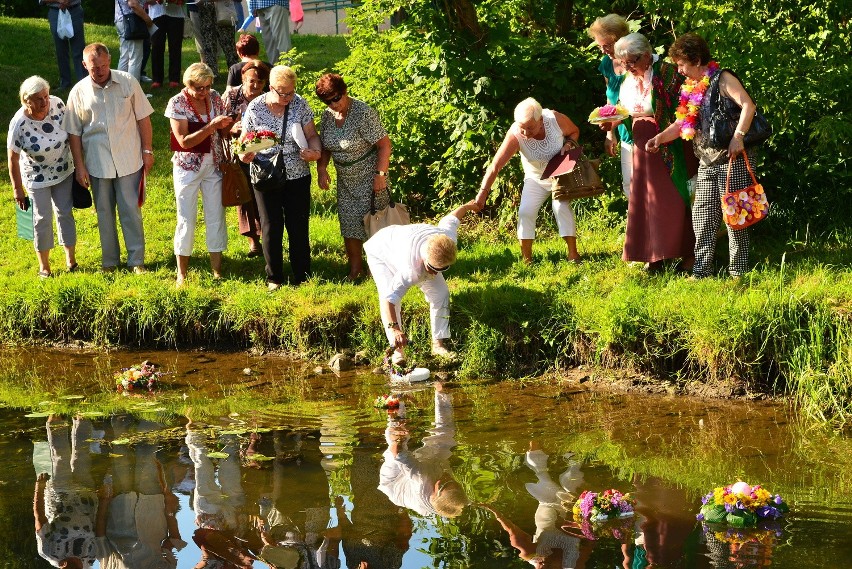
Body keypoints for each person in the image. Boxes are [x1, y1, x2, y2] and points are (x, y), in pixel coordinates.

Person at [647, 33, 758, 279]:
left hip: (732, 159)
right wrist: (659, 138)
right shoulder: (691, 88)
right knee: (702, 216)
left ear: (696, 60)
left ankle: (739, 271)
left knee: (735, 216)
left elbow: (748, 106)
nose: (679, 70)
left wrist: (738, 137)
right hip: (706, 161)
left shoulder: (723, 78)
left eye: (681, 64)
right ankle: (701, 270)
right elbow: (681, 124)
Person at [64, 42, 154, 273]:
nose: (100, 71)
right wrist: (79, 166)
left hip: (129, 158)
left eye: (104, 65)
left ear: (110, 60)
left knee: (131, 211)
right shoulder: (78, 92)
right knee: (104, 213)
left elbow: (143, 118)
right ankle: (110, 262)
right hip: (97, 162)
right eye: (95, 68)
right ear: (85, 65)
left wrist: (148, 150)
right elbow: (74, 132)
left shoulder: (127, 81)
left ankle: (137, 261)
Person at [613, 33, 696, 273]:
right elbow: (625, 110)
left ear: (648, 55)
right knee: (646, 201)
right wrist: (613, 122)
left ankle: (688, 255)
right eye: (624, 62)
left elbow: (687, 110)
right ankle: (654, 255)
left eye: (633, 61)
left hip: (671, 146)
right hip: (642, 147)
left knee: (674, 199)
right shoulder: (627, 78)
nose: (628, 66)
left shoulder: (668, 73)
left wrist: (664, 135)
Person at [364, 201, 478, 362]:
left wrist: (468, 206)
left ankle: (437, 345)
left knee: (441, 293)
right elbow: (389, 300)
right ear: (425, 259)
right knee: (388, 294)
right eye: (432, 268)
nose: (435, 273)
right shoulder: (410, 270)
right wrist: (395, 329)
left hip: (402, 240)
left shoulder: (447, 239)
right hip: (380, 250)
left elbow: (451, 219)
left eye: (442, 269)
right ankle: (398, 350)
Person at [240, 65, 322, 289]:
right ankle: (274, 277)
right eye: (283, 92)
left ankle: (302, 275)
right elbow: (244, 143)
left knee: (298, 225)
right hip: (266, 173)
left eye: (291, 91)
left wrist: (314, 152)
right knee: (270, 225)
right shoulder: (256, 107)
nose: (288, 97)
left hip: (298, 172)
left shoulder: (300, 103)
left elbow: (312, 135)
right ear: (271, 87)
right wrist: (247, 153)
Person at [475, 97, 583, 264]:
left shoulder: (555, 119)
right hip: (535, 178)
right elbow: (495, 166)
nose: (525, 133)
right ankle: (527, 259)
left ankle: (573, 255)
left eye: (530, 128)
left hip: (559, 176)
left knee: (561, 207)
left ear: (540, 120)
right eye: (522, 128)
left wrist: (568, 144)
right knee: (525, 211)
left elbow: (574, 131)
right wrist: (482, 194)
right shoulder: (515, 134)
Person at [316, 73, 392, 280]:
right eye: (327, 101)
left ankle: (382, 270)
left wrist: (380, 175)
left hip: (370, 177)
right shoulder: (328, 116)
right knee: (349, 225)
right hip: (346, 180)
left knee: (375, 225)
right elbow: (325, 146)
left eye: (335, 99)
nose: (332, 104)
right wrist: (322, 168)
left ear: (344, 91)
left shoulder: (363, 113)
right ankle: (355, 270)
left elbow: (385, 145)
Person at [166, 63, 235, 286]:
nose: (204, 91)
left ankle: (217, 270)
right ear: (188, 84)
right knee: (186, 219)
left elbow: (222, 132)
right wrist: (212, 126)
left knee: (216, 216)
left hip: (213, 164)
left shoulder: (214, 97)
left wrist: (230, 126)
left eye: (207, 86)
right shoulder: (178, 102)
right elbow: (184, 141)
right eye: (199, 88)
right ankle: (182, 273)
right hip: (187, 167)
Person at [7, 76, 78, 278]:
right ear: (26, 100)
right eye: (38, 99)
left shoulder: (57, 104)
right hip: (36, 176)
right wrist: (17, 189)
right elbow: (12, 159)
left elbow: (72, 133)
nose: (44, 102)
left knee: (65, 213)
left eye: (45, 96)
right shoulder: (19, 123)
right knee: (41, 218)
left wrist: (80, 165)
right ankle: (44, 266)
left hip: (63, 170)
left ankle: (71, 260)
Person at [379, 382, 470, 519]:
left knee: (400, 435)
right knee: (446, 435)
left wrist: (398, 438)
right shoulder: (448, 488)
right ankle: (441, 392)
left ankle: (396, 399)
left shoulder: (421, 479)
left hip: (394, 481)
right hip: (429, 470)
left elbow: (396, 451)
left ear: (435, 494)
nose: (447, 476)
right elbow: (457, 498)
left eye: (444, 483)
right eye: (454, 481)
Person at [224, 60, 271, 257]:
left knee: (261, 193)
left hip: (260, 151)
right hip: (236, 152)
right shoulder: (231, 96)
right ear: (243, 79)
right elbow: (218, 124)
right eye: (252, 81)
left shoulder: (267, 98)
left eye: (260, 83)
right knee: (244, 195)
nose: (255, 86)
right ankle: (253, 240)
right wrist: (232, 128)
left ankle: (266, 235)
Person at [588, 14, 632, 198]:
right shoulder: (606, 63)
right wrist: (609, 133)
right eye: (600, 46)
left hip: (645, 129)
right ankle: (637, 226)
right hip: (623, 132)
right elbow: (610, 100)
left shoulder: (635, 59)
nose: (603, 50)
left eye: (606, 45)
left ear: (620, 38)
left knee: (649, 185)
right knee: (629, 186)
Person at [41, 0, 86, 91]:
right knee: (61, 51)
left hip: (75, 11)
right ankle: (65, 83)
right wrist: (59, 1)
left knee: (79, 51)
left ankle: (83, 84)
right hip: (55, 12)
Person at [195, 0, 240, 80]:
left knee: (228, 44)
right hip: (206, 10)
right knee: (209, 44)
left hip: (223, 9)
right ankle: (212, 74)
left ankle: (235, 72)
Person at [148, 0, 185, 89]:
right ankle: (157, 79)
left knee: (175, 46)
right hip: (157, 14)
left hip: (176, 14)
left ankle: (174, 79)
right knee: (156, 46)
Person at [114, 0, 153, 82]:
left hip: (121, 19)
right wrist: (147, 19)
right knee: (135, 58)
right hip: (132, 21)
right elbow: (133, 3)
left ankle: (120, 89)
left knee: (125, 57)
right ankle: (133, 92)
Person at [248, 0, 292, 66]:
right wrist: (253, 6)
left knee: (281, 39)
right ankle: (275, 71)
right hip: (260, 5)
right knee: (269, 42)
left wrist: (252, 7)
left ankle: (288, 70)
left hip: (275, 3)